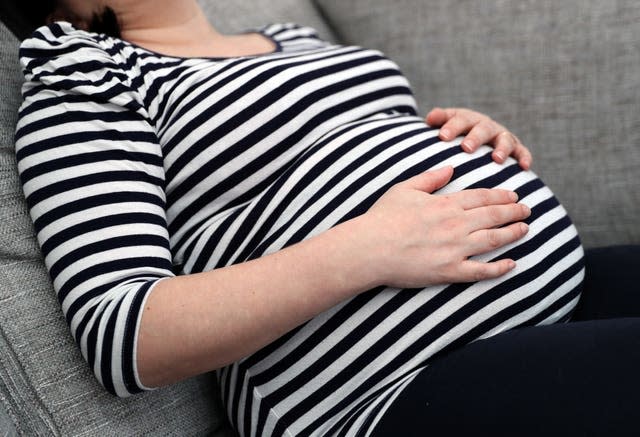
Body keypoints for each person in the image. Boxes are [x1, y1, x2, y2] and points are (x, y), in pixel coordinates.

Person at [12, 0, 638, 435]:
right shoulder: (87, 77)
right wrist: (363, 249)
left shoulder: (293, 38)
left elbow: (363, 166)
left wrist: (464, 141)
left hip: (540, 296)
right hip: (378, 395)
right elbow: (123, 335)